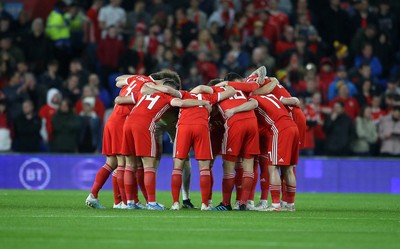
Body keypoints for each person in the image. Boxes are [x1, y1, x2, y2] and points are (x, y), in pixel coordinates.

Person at [119, 79, 211, 210]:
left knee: (129, 164)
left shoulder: (144, 94)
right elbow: (181, 102)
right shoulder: (167, 98)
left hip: (128, 124)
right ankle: (151, 203)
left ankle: (129, 202)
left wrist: (147, 85)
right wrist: (202, 102)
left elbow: (119, 100)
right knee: (148, 165)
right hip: (144, 126)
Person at [170, 84, 235, 210]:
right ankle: (205, 204)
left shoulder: (185, 94)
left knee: (178, 167)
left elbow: (168, 90)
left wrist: (154, 86)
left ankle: (175, 203)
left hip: (184, 128)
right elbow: (231, 91)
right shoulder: (211, 97)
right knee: (204, 168)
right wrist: (218, 86)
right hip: (201, 127)